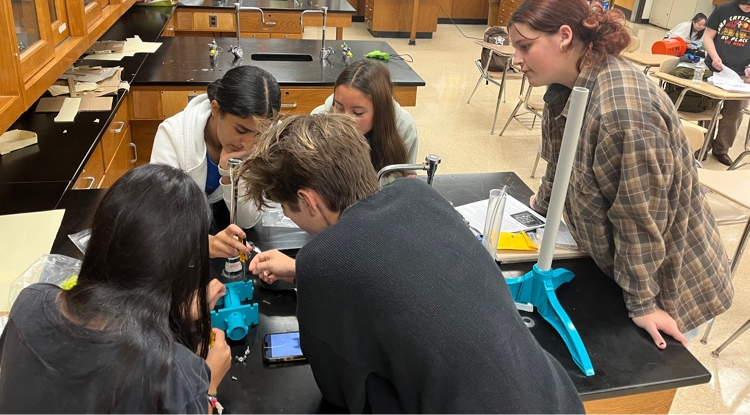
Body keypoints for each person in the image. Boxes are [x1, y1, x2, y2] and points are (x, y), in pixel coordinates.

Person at [242, 114, 583, 414]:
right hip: (556, 399)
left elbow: (340, 390)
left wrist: (314, 273)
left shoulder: (321, 260)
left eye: (287, 209)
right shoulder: (420, 195)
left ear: (308, 200)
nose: (290, 217)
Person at [507, 0, 733, 348]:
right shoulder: (566, 86)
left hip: (665, 287)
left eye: (525, 46)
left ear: (564, 37)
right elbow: (560, 162)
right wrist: (542, 206)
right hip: (615, 268)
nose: (516, 58)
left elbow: (640, 217)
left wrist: (643, 303)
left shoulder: (622, 112)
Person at [0, 164, 231, 413]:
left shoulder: (30, 303)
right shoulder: (177, 374)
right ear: (187, 267)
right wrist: (208, 388)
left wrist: (174, 316)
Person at [151, 65, 281, 258]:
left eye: (260, 134)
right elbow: (160, 217)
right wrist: (203, 244)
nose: (250, 144)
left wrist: (230, 175)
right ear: (216, 109)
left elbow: (247, 221)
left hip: (233, 240)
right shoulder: (172, 135)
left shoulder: (263, 141)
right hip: (183, 248)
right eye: (241, 130)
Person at [311, 60, 418, 183]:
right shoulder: (318, 119)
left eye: (357, 113)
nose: (345, 120)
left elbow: (409, 178)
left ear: (380, 110)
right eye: (339, 108)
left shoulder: (403, 127)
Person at [701, 0, 750, 166]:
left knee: (734, 113)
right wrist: (715, 58)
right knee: (709, 110)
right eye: (746, 5)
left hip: (741, 74)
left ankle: (721, 149)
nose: (748, 9)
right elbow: (708, 36)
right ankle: (702, 145)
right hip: (716, 69)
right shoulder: (723, 9)